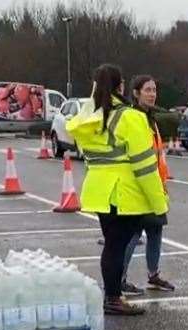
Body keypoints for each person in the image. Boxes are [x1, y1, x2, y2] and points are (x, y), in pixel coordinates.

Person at [66, 64, 169, 315]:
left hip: (99, 192)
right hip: (124, 194)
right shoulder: (129, 117)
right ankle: (113, 298)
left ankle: (112, 295)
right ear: (120, 86)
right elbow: (145, 167)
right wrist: (159, 204)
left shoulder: (90, 119)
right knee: (117, 246)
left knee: (112, 245)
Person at [120, 75, 175, 294]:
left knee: (155, 231)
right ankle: (119, 279)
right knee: (133, 234)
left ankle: (153, 275)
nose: (152, 94)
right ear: (136, 93)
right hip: (140, 186)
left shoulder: (151, 118)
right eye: (147, 90)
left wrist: (163, 182)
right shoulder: (134, 117)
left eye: (154, 90)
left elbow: (157, 154)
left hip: (155, 184)